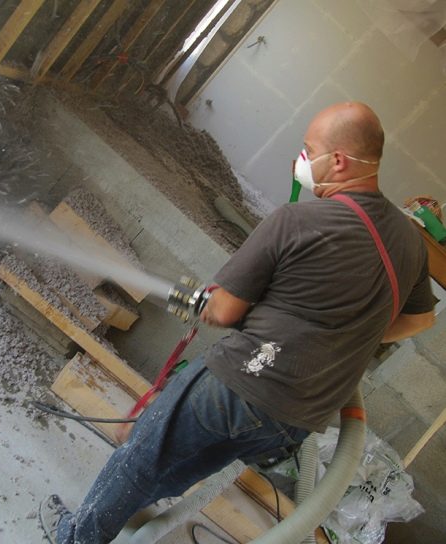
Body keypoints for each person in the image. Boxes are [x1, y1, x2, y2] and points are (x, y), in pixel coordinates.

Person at [39, 102, 436, 544]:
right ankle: (121, 526)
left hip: (240, 383)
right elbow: (420, 320)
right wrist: (348, 331)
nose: (302, 160)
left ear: (339, 160)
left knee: (139, 459)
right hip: (293, 421)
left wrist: (212, 304)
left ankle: (75, 538)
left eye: (309, 150)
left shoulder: (295, 220)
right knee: (170, 471)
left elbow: (224, 311)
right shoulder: (410, 243)